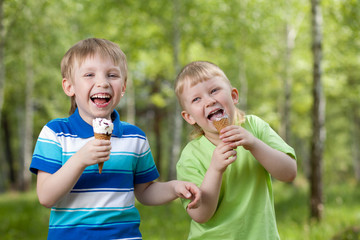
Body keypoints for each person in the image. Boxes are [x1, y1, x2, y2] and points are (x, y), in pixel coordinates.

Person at [30, 38, 201, 239]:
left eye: (112, 75)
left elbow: (145, 191)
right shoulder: (55, 133)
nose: (102, 82)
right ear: (69, 87)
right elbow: (46, 196)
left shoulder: (134, 137)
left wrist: (174, 187)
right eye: (89, 75)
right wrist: (79, 160)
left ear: (124, 86)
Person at [174, 61, 297, 239]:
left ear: (233, 96)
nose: (209, 101)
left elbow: (289, 172)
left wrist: (254, 144)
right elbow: (200, 215)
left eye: (214, 90)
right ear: (189, 117)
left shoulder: (254, 126)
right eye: (196, 99)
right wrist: (215, 169)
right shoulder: (190, 156)